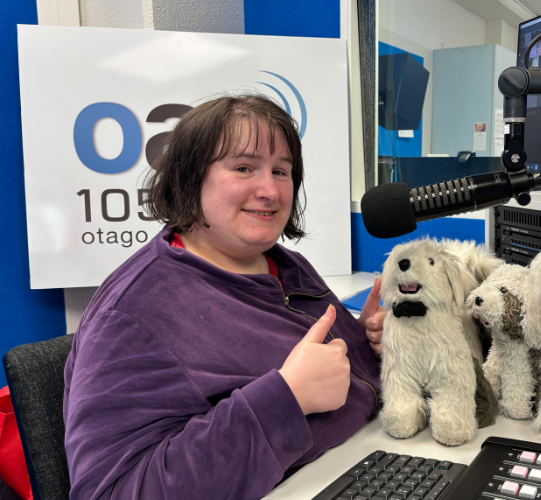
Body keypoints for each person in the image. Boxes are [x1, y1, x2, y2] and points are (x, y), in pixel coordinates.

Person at [63, 94, 386, 500]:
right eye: (243, 168)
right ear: (187, 177)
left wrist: (365, 344)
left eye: (281, 171)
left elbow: (339, 378)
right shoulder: (132, 314)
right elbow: (112, 492)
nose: (269, 190)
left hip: (366, 462)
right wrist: (285, 399)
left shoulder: (285, 264)